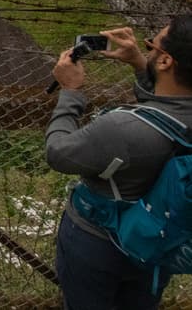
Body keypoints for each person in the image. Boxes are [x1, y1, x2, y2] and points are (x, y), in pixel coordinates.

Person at [45, 16, 192, 310]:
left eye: (152, 45)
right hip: (161, 239)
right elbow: (169, 107)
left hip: (100, 241)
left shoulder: (122, 128)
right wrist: (141, 65)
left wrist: (70, 93)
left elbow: (59, 153)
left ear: (165, 62)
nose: (147, 48)